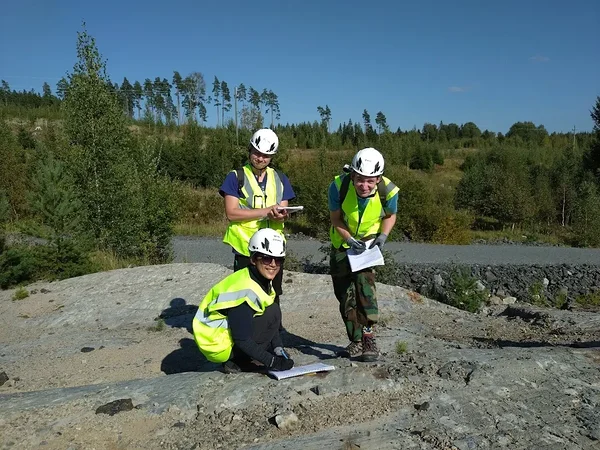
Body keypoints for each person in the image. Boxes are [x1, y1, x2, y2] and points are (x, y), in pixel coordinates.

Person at [327, 147, 400, 362]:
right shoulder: (338, 186)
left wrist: (383, 236)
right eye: (360, 180)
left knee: (364, 288)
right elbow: (336, 218)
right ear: (353, 175)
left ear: (378, 178)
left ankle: (368, 336)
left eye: (370, 181)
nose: (364, 185)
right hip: (342, 244)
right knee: (344, 293)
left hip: (367, 247)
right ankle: (356, 339)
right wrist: (348, 239)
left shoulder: (389, 190)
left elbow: (389, 215)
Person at [192, 228, 295, 373]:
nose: (273, 264)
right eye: (266, 258)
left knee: (272, 310)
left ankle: (242, 356)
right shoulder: (244, 291)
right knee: (272, 313)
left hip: (221, 337)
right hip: (218, 347)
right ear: (253, 259)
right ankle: (237, 361)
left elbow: (271, 319)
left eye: (278, 260)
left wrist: (279, 350)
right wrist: (273, 362)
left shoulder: (258, 279)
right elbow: (242, 339)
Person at [219, 128, 295, 307]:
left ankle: (274, 333)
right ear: (250, 150)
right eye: (257, 153)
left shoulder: (280, 178)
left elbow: (283, 213)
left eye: (266, 156)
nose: (260, 158)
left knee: (272, 296)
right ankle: (245, 334)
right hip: (246, 249)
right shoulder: (235, 177)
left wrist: (280, 215)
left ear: (272, 157)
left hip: (273, 249)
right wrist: (266, 211)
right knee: (245, 297)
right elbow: (231, 213)